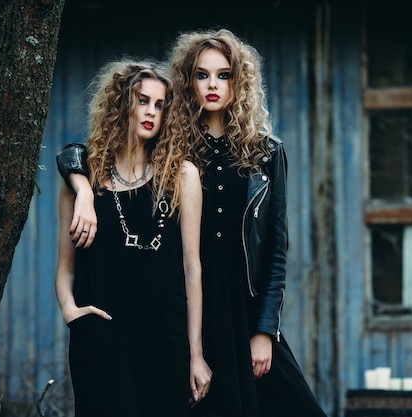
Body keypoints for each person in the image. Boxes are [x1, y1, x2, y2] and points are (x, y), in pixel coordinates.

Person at [57, 29, 328, 417]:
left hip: (243, 305)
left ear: (240, 81)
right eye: (202, 75)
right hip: (187, 303)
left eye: (224, 74)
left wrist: (265, 330)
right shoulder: (174, 144)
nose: (213, 85)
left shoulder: (266, 152)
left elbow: (275, 250)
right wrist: (81, 187)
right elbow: (83, 152)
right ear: (188, 82)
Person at [54, 58, 211, 417]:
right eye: (142, 100)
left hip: (165, 337)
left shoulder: (181, 175)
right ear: (120, 103)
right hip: (102, 339)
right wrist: (71, 313)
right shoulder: (83, 182)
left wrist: (196, 353)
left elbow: (192, 267)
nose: (151, 112)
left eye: (160, 105)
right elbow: (66, 268)